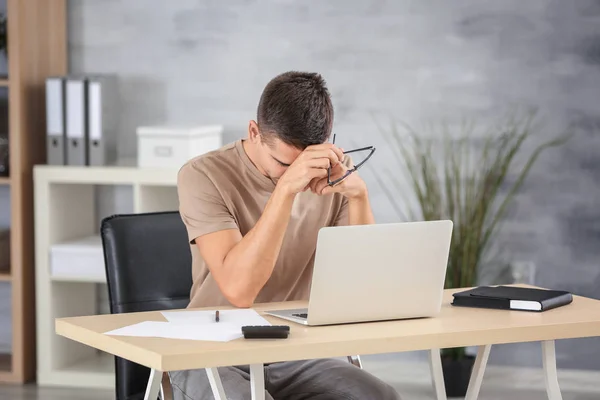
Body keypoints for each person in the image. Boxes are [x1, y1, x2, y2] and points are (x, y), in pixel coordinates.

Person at [172, 71, 400, 400]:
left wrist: (359, 196)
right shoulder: (202, 175)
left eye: (303, 165)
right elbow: (239, 290)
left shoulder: (331, 171)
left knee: (378, 396)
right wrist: (287, 189)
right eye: (283, 163)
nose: (296, 173)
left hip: (293, 349)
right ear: (254, 132)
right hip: (210, 350)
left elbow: (360, 282)